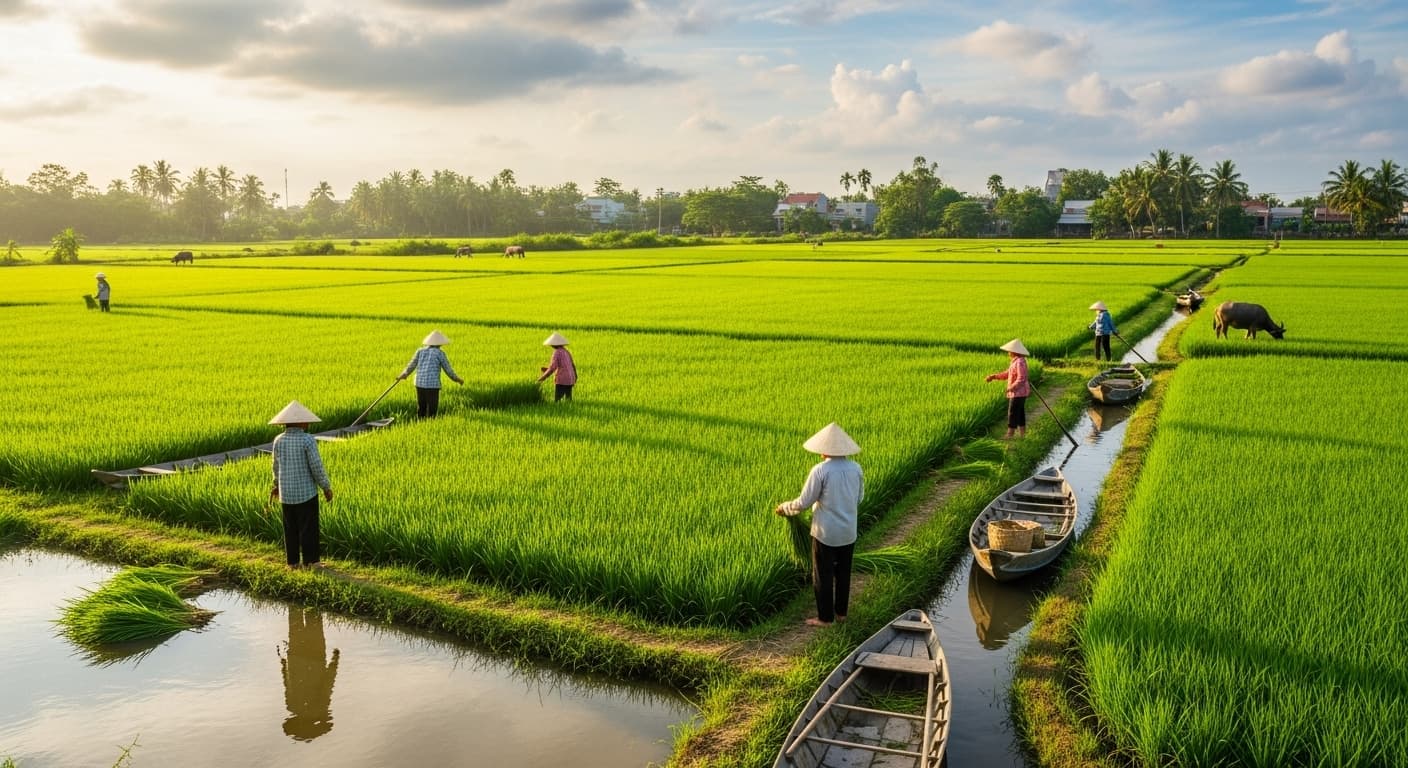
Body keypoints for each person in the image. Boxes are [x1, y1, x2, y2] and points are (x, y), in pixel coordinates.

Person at [774, 422, 864, 627]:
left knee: (823, 574)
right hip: (848, 531)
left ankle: (825, 618)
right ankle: (841, 614)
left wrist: (785, 508)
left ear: (825, 450)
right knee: (843, 573)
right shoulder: (856, 468)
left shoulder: (820, 470)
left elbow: (804, 503)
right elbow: (859, 498)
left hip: (826, 533)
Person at [270, 400, 333, 569]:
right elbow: (316, 467)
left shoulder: (278, 440)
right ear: (300, 422)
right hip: (306, 493)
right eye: (306, 421)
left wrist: (276, 485)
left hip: (286, 494)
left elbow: (275, 466)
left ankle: (292, 563)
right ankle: (311, 562)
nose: (308, 424)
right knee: (308, 528)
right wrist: (326, 487)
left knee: (290, 528)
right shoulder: (307, 440)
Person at [398, 330, 464, 418]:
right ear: (440, 344)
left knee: (421, 408)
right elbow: (448, 370)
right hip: (432, 385)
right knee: (432, 410)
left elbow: (411, 365)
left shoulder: (420, 351)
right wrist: (458, 379)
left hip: (419, 384)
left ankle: (420, 423)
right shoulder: (440, 353)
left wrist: (404, 373)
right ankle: (430, 423)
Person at [985, 338, 1031, 439]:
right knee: (1020, 412)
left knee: (1012, 412)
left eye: (1009, 351)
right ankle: (1023, 434)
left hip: (1018, 392)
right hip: (1019, 392)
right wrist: (994, 376)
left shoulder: (1019, 362)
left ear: (1014, 352)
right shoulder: (1016, 361)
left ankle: (1010, 434)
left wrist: (1011, 387)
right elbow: (1007, 374)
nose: (1008, 353)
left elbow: (1022, 378)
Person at [536, 331, 578, 402]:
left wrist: (542, 378)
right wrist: (575, 376)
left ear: (553, 345)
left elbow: (552, 368)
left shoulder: (557, 352)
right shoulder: (566, 351)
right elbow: (571, 365)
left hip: (562, 380)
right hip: (570, 379)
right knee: (568, 399)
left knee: (557, 400)